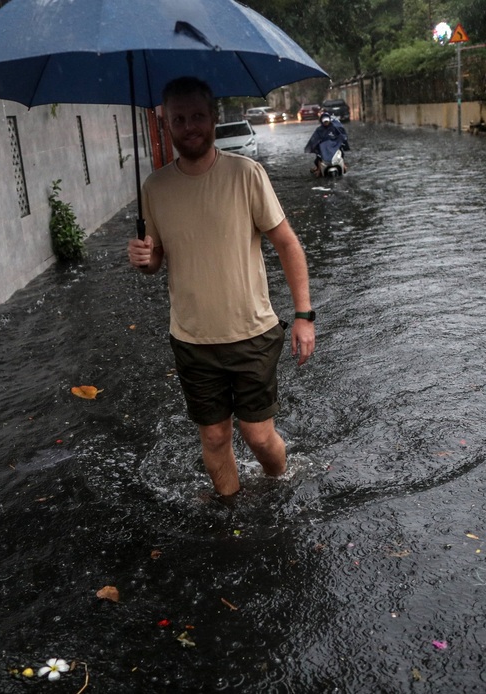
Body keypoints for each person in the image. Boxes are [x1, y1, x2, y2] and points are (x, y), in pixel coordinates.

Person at [127, 77, 316, 499]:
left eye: (197, 116)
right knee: (213, 438)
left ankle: (278, 485)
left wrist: (304, 315)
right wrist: (143, 259)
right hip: (192, 339)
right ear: (166, 125)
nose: (189, 126)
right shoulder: (154, 188)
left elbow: (287, 243)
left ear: (213, 118)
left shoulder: (245, 174)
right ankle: (230, 515)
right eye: (179, 119)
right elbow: (156, 260)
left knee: (258, 436)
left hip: (252, 332)